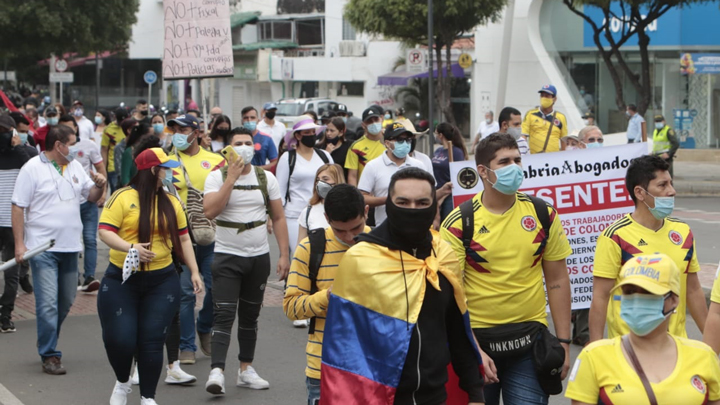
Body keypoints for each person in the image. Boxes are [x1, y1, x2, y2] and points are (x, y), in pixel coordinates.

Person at [322, 168, 486, 404]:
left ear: (434, 206)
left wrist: (476, 394)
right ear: (389, 204)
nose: (412, 210)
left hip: (436, 396)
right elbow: (344, 348)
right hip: (380, 397)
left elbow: (456, 328)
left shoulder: (444, 255)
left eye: (422, 203)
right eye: (403, 202)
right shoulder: (360, 259)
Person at [441, 133, 573, 404]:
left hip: (530, 343)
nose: (514, 167)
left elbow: (557, 279)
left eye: (517, 160)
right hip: (477, 344)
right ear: (483, 171)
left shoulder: (542, 214)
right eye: (504, 162)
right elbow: (451, 295)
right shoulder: (458, 223)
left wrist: (563, 341)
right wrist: (474, 350)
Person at [98, 147, 203, 405]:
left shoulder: (171, 200)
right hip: (121, 279)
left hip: (162, 280)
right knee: (120, 339)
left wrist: (194, 270)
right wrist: (130, 247)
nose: (170, 172)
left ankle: (148, 397)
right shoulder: (122, 197)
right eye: (165, 167)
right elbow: (105, 232)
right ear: (153, 170)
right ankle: (123, 381)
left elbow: (183, 237)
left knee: (153, 339)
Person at [12, 124, 106, 374]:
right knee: (48, 304)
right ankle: (50, 354)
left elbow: (92, 197)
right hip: (42, 248)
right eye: (71, 144)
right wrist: (20, 244)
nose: (75, 148)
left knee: (65, 301)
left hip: (69, 247)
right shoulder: (32, 168)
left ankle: (46, 335)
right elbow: (18, 206)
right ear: (58, 145)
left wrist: (101, 184)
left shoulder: (74, 167)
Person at [202, 129, 290, 395]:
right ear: (228, 149)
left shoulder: (267, 178)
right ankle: (216, 371)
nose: (243, 148)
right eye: (237, 144)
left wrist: (284, 254)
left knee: (250, 316)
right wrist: (230, 179)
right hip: (227, 256)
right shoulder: (215, 177)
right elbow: (210, 211)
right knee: (224, 314)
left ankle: (246, 369)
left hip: (258, 258)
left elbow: (278, 217)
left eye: (247, 143)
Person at [566, 254, 720, 405]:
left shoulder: (704, 357)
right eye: (629, 292)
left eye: (648, 292)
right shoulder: (593, 357)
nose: (637, 300)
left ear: (673, 300)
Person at [589, 155, 706, 342]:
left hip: (677, 349)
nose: (672, 191)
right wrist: (594, 349)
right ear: (640, 193)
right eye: (662, 185)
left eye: (671, 183)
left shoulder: (683, 232)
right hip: (629, 351)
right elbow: (600, 296)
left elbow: (693, 290)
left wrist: (712, 343)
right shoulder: (615, 236)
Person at [283, 184, 369, 405]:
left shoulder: (383, 245)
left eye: (356, 228)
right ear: (326, 218)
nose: (350, 237)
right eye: (340, 230)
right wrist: (327, 297)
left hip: (373, 367)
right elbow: (291, 307)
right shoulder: (310, 248)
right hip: (323, 368)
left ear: (366, 212)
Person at [166, 114, 225, 365]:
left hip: (210, 234)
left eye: (183, 129)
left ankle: (204, 324)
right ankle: (186, 345)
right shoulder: (166, 161)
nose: (177, 133)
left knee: (215, 287)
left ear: (196, 132)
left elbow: (226, 194)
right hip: (179, 237)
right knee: (186, 292)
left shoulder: (215, 160)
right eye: (174, 129)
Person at [60, 115, 107, 291]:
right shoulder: (56, 150)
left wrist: (102, 190)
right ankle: (73, 277)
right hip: (67, 204)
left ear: (76, 128)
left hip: (88, 200)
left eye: (70, 128)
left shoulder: (89, 145)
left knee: (90, 239)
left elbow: (100, 168)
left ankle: (89, 277)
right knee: (71, 240)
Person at [276, 116, 333, 257]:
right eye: (306, 133)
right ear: (298, 135)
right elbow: (280, 191)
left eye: (313, 132)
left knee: (323, 254)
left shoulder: (325, 156)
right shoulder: (288, 158)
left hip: (321, 213)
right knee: (299, 255)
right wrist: (275, 217)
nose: (311, 135)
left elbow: (335, 183)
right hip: (294, 215)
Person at [358, 122, 432, 227]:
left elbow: (429, 195)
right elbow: (362, 197)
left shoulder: (419, 165)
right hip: (385, 227)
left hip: (416, 225)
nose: (405, 144)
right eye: (400, 140)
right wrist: (388, 199)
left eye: (408, 140)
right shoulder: (373, 166)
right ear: (387, 143)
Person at [0, 115, 34, 333]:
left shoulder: (28, 154)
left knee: (11, 273)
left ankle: (5, 315)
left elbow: (33, 171)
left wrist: (18, 147)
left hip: (14, 223)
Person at [297, 163, 346, 243]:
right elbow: (300, 246)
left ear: (337, 181)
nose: (320, 183)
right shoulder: (308, 212)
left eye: (325, 179)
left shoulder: (349, 208)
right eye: (317, 180)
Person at [344, 105, 386, 187]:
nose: (373, 123)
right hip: (366, 194)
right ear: (363, 125)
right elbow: (352, 176)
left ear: (381, 119)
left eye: (376, 119)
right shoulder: (355, 147)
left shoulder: (391, 141)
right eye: (369, 121)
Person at [432, 122, 467, 220]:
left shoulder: (456, 152)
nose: (435, 136)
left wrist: (442, 198)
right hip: (437, 192)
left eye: (436, 133)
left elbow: (458, 177)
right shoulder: (438, 151)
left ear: (440, 135)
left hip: (448, 195)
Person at [522, 85, 568, 154]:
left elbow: (563, 140)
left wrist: (564, 156)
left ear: (554, 99)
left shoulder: (561, 117)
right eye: (542, 95)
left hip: (553, 158)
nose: (544, 98)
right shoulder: (530, 114)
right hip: (533, 157)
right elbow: (523, 136)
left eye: (547, 96)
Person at [102, 107, 130, 193]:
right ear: (115, 117)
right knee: (116, 192)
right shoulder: (108, 130)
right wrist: (104, 168)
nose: (122, 123)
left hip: (128, 166)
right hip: (113, 167)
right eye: (119, 120)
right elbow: (104, 150)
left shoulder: (131, 128)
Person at [242, 106, 278, 171]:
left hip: (259, 177)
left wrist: (258, 169)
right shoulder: (235, 138)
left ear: (258, 120)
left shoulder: (266, 139)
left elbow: (274, 161)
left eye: (252, 118)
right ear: (242, 121)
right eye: (246, 118)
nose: (249, 120)